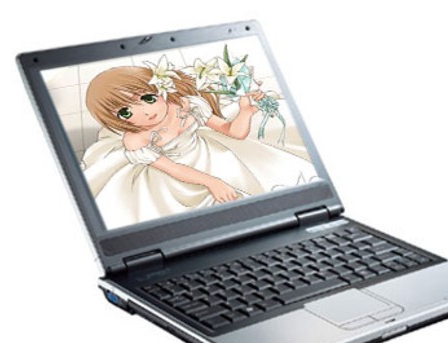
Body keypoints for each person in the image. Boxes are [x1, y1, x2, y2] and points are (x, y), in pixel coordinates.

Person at [82, 56, 318, 229]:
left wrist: (245, 112)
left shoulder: (186, 105)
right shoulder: (136, 139)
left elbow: (233, 132)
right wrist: (211, 182)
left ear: (161, 89)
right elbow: (173, 169)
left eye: (148, 98)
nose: (145, 112)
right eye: (125, 112)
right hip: (174, 177)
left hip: (210, 153)